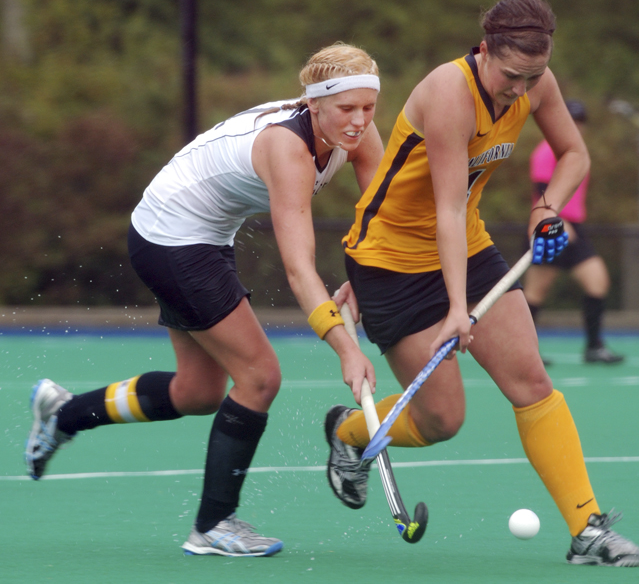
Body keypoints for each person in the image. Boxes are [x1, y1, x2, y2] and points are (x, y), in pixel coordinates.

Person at [25, 42, 383, 558]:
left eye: (368, 107)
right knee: (260, 378)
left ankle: (64, 414)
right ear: (313, 104)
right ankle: (213, 525)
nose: (357, 121)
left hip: (201, 233)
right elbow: (299, 267)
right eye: (346, 108)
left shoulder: (359, 134)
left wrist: (362, 276)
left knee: (198, 392)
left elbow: (379, 218)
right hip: (172, 238)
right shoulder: (289, 150)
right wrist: (347, 349)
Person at [324, 0, 639, 567]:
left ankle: (587, 530)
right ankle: (349, 433)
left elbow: (574, 154)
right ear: (484, 51)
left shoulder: (535, 84)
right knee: (442, 421)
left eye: (534, 76)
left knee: (531, 381)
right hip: (391, 261)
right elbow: (444, 206)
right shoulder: (449, 93)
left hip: (467, 248)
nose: (521, 90)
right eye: (512, 76)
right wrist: (455, 308)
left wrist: (548, 208)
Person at [523, 99, 624, 364]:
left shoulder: (578, 153)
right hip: (551, 227)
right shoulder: (546, 152)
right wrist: (557, 222)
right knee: (535, 292)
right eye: (572, 121)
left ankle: (594, 346)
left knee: (598, 282)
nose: (577, 127)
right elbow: (541, 194)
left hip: (575, 228)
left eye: (581, 122)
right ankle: (526, 352)